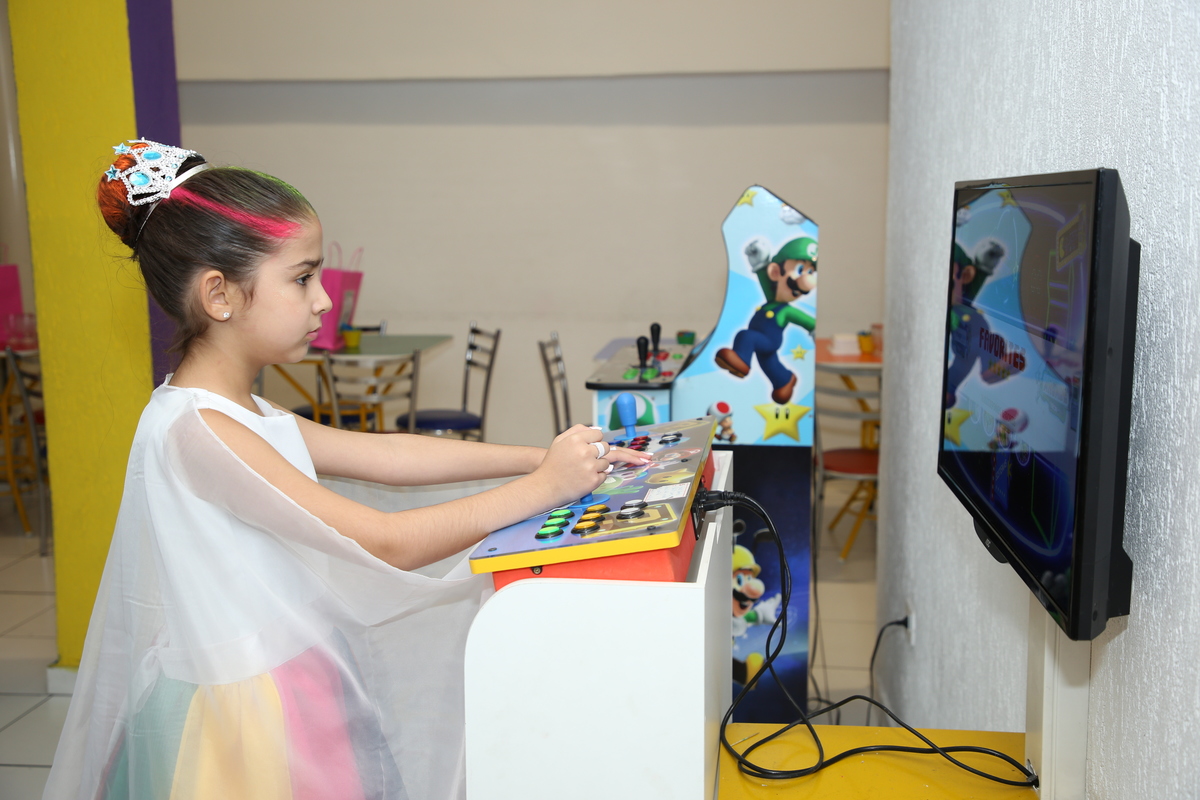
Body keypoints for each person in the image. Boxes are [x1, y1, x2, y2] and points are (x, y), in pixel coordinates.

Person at [45, 139, 649, 800]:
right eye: (302, 278)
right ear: (219, 295)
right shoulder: (200, 430)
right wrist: (544, 487)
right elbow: (383, 541)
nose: (324, 301)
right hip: (244, 723)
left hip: (289, 678)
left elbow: (389, 455)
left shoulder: (242, 411)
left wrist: (540, 456)